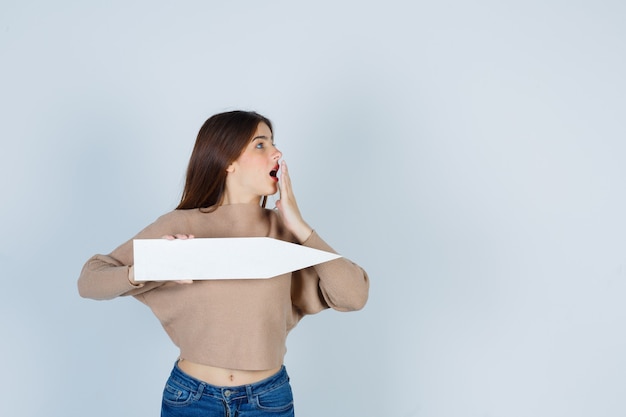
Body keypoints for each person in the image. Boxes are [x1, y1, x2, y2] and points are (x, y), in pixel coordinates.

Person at [77, 110, 370, 417]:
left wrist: (300, 226)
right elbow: (90, 280)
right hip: (191, 399)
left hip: (267, 400)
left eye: (273, 143)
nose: (277, 153)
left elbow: (354, 296)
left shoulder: (286, 232)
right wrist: (153, 267)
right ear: (227, 161)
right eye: (261, 144)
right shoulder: (181, 223)